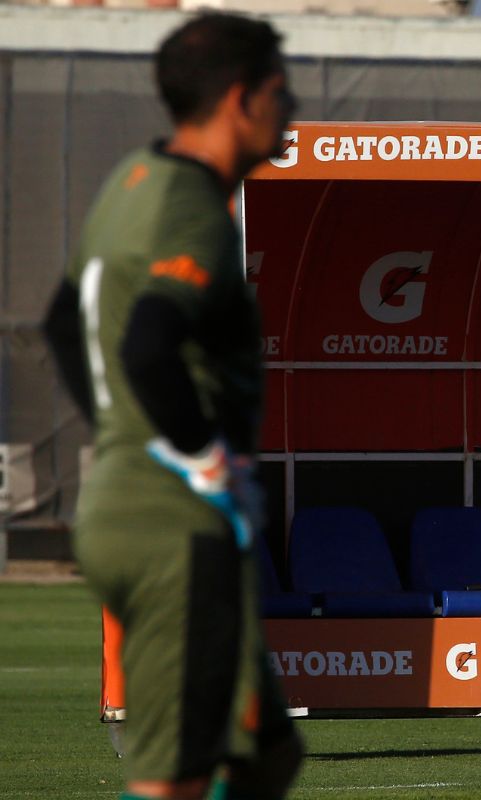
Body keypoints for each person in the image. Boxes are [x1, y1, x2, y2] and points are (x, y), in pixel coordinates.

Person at [41, 13, 303, 799]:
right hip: (172, 524)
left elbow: (61, 322)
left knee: (264, 753)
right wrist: (202, 457)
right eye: (281, 91)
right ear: (239, 99)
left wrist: (124, 435)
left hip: (130, 505)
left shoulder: (133, 178)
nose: (293, 107)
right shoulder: (195, 207)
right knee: (175, 780)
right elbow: (150, 345)